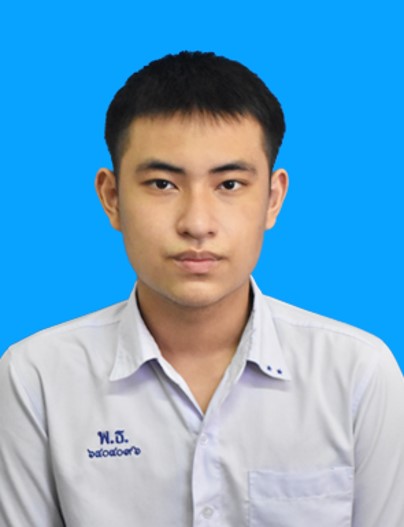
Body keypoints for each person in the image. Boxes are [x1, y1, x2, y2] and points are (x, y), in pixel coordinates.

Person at [0, 51, 403, 527]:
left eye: (229, 184)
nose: (196, 223)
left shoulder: (358, 374)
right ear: (112, 198)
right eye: (162, 184)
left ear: (272, 199)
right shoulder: (36, 378)